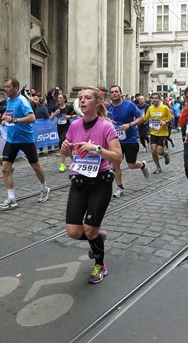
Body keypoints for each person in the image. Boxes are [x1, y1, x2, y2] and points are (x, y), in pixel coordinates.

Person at [61, 86, 122, 284]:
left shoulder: (106, 126)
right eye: (80, 98)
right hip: (79, 181)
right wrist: (65, 149)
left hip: (100, 183)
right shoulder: (74, 125)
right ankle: (97, 237)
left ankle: (100, 265)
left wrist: (97, 148)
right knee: (73, 231)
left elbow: (118, 157)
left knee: (89, 230)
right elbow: (70, 155)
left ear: (97, 102)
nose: (83, 101)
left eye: (87, 98)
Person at [0, 77, 50, 209]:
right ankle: (11, 198)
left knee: (35, 167)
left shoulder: (22, 100)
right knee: (5, 168)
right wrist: (4, 118)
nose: (5, 89)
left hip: (26, 140)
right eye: (4, 87)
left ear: (15, 88)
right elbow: (9, 113)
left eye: (8, 87)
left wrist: (15, 120)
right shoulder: (9, 100)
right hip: (12, 140)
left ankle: (44, 188)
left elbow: (32, 118)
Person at [106, 85, 148, 198]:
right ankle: (120, 188)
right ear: (110, 95)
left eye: (116, 91)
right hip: (115, 140)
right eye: (112, 92)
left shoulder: (129, 105)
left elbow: (142, 118)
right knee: (115, 165)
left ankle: (143, 165)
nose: (114, 93)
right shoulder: (109, 108)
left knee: (131, 164)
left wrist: (130, 124)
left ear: (120, 93)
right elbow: (103, 119)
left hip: (130, 139)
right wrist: (107, 120)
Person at [144, 92, 173, 174]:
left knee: (159, 151)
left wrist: (165, 121)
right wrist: (143, 119)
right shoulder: (150, 108)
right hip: (153, 132)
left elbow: (171, 118)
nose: (154, 100)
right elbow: (146, 118)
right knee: (153, 151)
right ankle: (158, 167)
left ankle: (165, 154)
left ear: (160, 99)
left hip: (162, 133)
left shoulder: (165, 108)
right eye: (153, 98)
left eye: (156, 98)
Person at [50, 92, 75, 172]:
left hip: (67, 128)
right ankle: (75, 161)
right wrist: (55, 114)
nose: (59, 100)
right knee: (67, 146)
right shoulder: (55, 107)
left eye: (60, 98)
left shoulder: (69, 107)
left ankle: (62, 164)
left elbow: (76, 115)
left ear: (64, 99)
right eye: (58, 98)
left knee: (61, 143)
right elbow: (50, 118)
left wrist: (69, 116)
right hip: (59, 128)